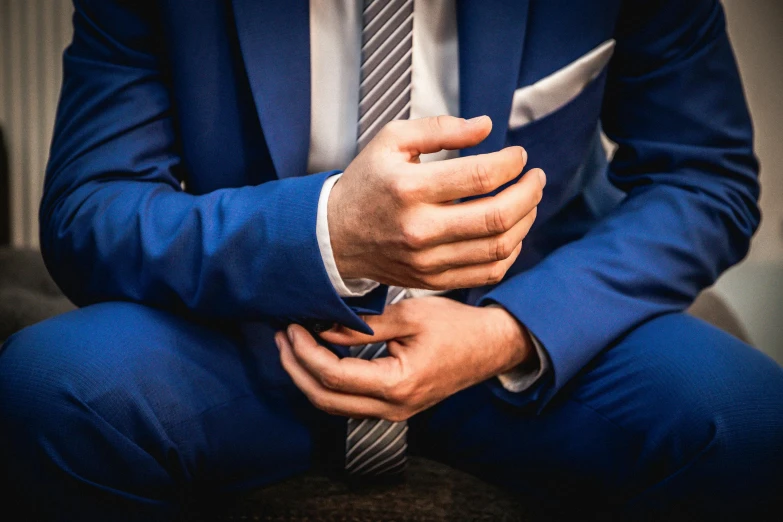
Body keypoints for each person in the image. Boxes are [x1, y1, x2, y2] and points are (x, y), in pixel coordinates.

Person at [1, 0, 781, 519]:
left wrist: (511, 333)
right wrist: (326, 233)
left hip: (522, 346)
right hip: (240, 334)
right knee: (48, 386)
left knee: (747, 418)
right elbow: (87, 206)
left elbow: (702, 176)